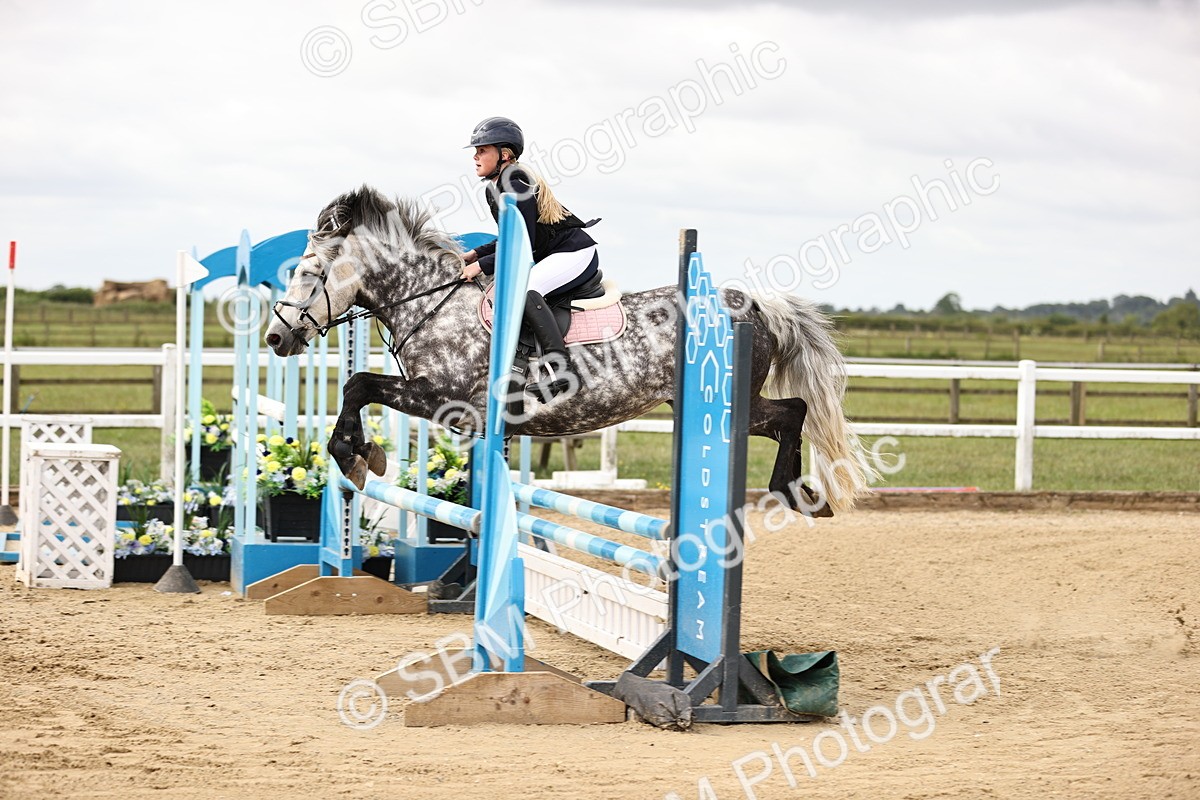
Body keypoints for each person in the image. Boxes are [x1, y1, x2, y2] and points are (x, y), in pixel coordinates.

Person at [459, 116, 599, 401]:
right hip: (553, 253)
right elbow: (512, 236)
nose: (475, 156)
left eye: (482, 149)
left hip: (574, 254)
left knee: (525, 291)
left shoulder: (516, 180)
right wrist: (475, 253)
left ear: (505, 154)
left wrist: (481, 266)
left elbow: (523, 245)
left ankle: (562, 370)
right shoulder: (494, 188)